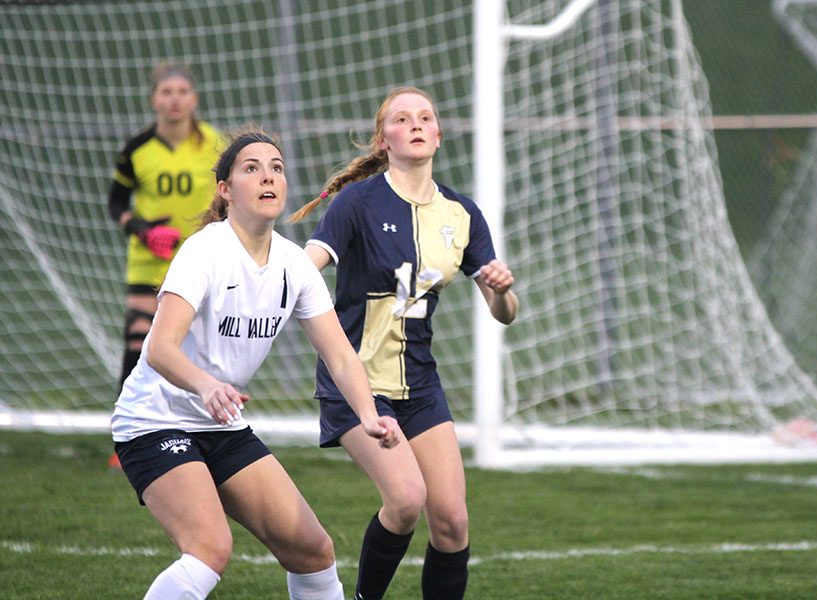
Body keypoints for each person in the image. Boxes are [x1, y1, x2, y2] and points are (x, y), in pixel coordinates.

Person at [110, 126, 401, 600]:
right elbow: (159, 348)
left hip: (221, 426)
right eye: (252, 168)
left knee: (313, 550)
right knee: (209, 548)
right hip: (153, 421)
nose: (268, 177)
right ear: (225, 191)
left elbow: (341, 357)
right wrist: (206, 386)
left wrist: (370, 416)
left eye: (277, 168)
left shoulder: (295, 264)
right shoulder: (204, 251)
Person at [288, 87, 519, 600]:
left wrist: (503, 292)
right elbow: (307, 269)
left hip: (419, 383)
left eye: (425, 117)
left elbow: (504, 314)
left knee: (453, 523)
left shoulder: (461, 213)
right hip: (356, 382)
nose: (415, 124)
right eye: (401, 118)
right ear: (384, 137)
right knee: (406, 500)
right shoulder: (356, 203)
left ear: (437, 134)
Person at [107, 62, 221, 397]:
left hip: (200, 260)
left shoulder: (216, 144)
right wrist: (142, 230)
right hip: (150, 262)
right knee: (139, 341)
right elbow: (116, 203)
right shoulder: (137, 148)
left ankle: (198, 432)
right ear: (154, 99)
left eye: (182, 92)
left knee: (197, 351)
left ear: (194, 99)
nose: (175, 99)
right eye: (166, 92)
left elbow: (231, 193)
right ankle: (125, 439)